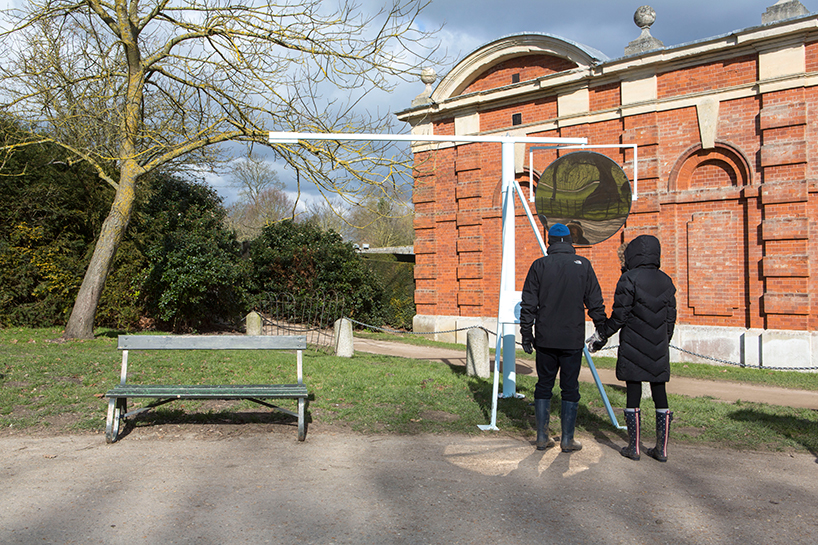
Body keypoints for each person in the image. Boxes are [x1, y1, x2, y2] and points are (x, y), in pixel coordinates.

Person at [520, 223, 607, 452]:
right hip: (572, 337)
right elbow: (595, 302)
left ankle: (542, 437)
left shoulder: (539, 265)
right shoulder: (583, 265)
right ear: (570, 241)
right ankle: (567, 440)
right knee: (570, 387)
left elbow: (528, 304)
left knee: (544, 384)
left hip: (546, 337)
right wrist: (602, 329)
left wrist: (526, 333)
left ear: (549, 242)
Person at [592, 234, 677, 462]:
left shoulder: (629, 279)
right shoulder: (666, 281)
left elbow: (619, 316)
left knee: (633, 390)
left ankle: (634, 447)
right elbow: (670, 318)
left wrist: (602, 334)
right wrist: (663, 340)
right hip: (659, 345)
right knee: (660, 391)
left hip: (633, 343)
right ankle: (662, 450)